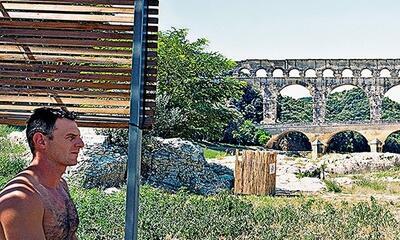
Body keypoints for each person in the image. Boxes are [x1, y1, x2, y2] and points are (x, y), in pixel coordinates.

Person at [0, 107, 85, 240]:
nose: (81, 144)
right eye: (71, 137)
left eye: (79, 138)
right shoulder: (22, 198)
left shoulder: (61, 185)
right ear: (41, 141)